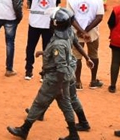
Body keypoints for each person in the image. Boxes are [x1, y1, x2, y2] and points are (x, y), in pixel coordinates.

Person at [6, 7, 78, 140]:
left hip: (55, 79)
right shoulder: (67, 35)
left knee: (39, 103)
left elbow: (60, 66)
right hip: (63, 78)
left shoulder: (58, 44)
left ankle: (24, 130)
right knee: (66, 105)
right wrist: (45, 53)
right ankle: (74, 134)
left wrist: (59, 87)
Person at [67, 0, 105, 89]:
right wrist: (86, 31)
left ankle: (77, 82)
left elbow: (70, 17)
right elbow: (99, 17)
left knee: (77, 56)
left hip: (76, 31)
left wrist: (81, 31)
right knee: (93, 54)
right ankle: (93, 81)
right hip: (92, 31)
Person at [24, 0, 61, 80]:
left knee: (30, 47)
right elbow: (57, 4)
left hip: (34, 22)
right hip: (48, 24)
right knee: (47, 49)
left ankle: (28, 71)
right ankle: (45, 72)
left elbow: (28, 3)